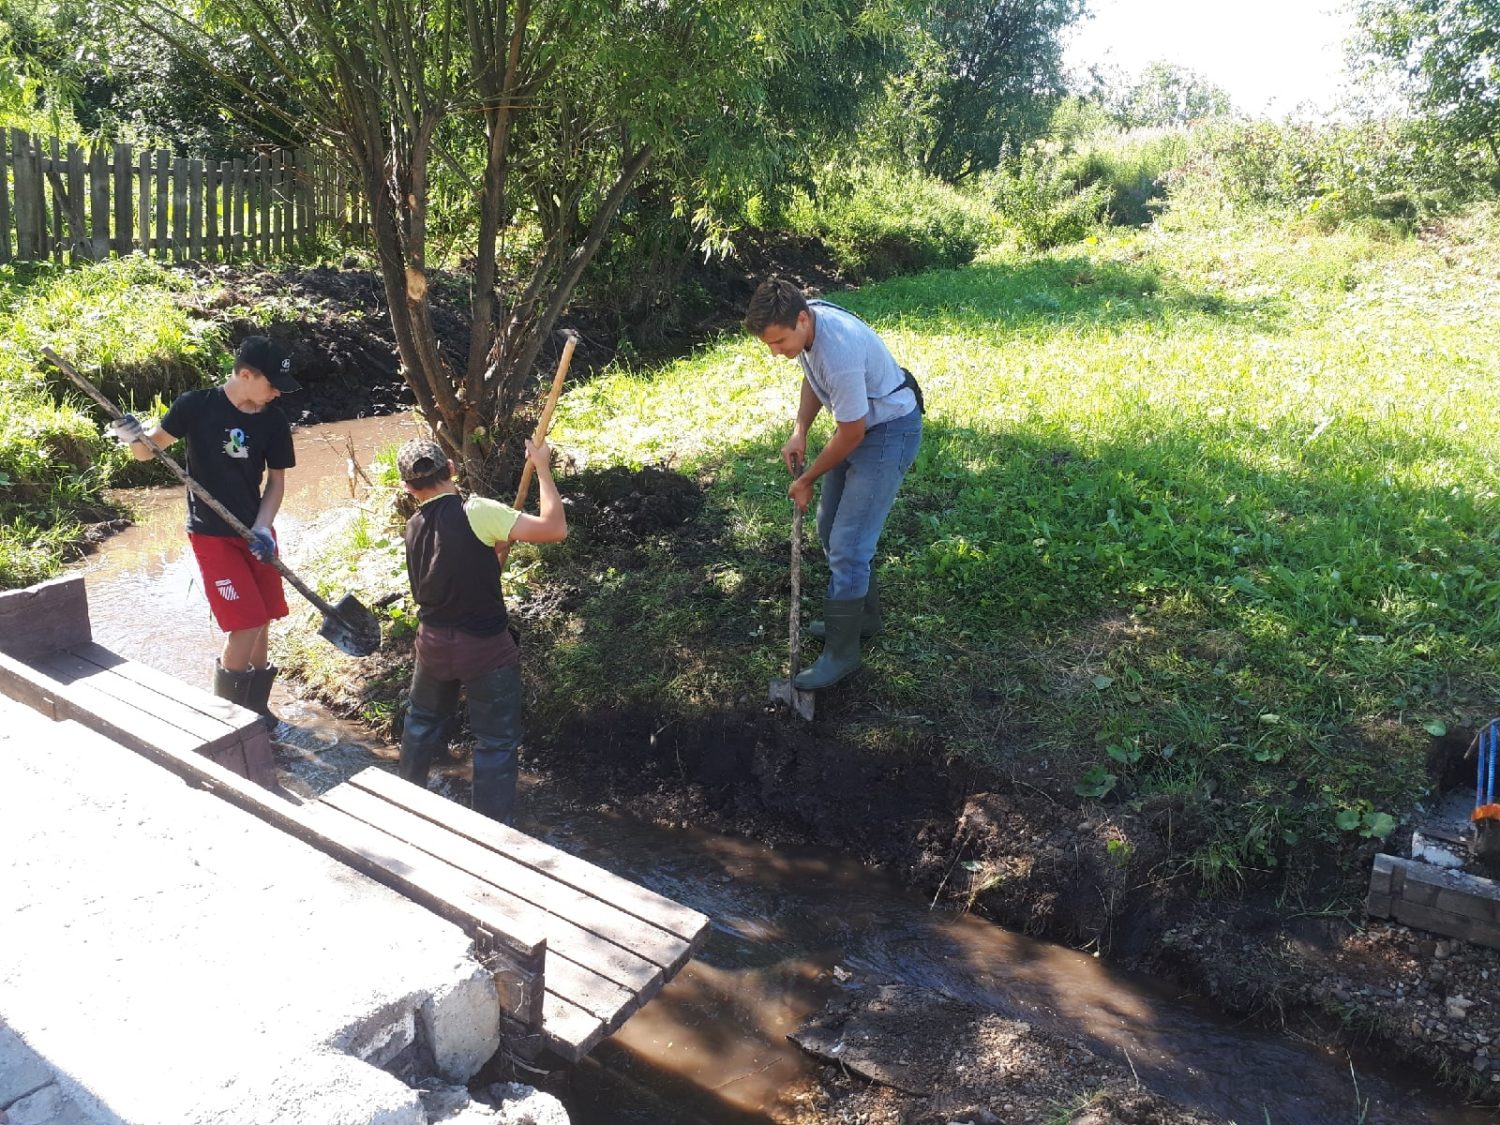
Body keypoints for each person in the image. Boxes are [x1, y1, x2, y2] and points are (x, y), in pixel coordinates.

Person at [106, 336, 299, 725]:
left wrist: (263, 529)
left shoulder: (273, 420)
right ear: (245, 375)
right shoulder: (196, 406)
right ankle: (227, 720)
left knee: (262, 618)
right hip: (213, 535)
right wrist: (133, 437)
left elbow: (275, 483)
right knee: (244, 622)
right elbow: (149, 451)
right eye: (272, 384)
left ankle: (257, 708)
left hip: (257, 532)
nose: (278, 392)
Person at [744, 278, 924, 690]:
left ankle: (843, 655)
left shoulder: (837, 350)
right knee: (829, 529)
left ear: (802, 319)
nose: (775, 353)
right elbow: (814, 376)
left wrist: (808, 478)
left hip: (887, 432)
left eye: (780, 341)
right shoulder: (811, 330)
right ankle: (862, 619)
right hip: (863, 426)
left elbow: (851, 434)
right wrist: (800, 430)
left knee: (849, 545)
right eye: (769, 345)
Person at [395, 434, 567, 823]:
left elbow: (447, 575)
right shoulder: (479, 512)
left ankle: (403, 804)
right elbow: (555, 528)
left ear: (409, 488)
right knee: (495, 743)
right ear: (451, 469)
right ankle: (491, 828)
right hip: (485, 649)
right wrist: (541, 466)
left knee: (421, 723)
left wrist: (493, 555)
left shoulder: (413, 527)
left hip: (433, 646)